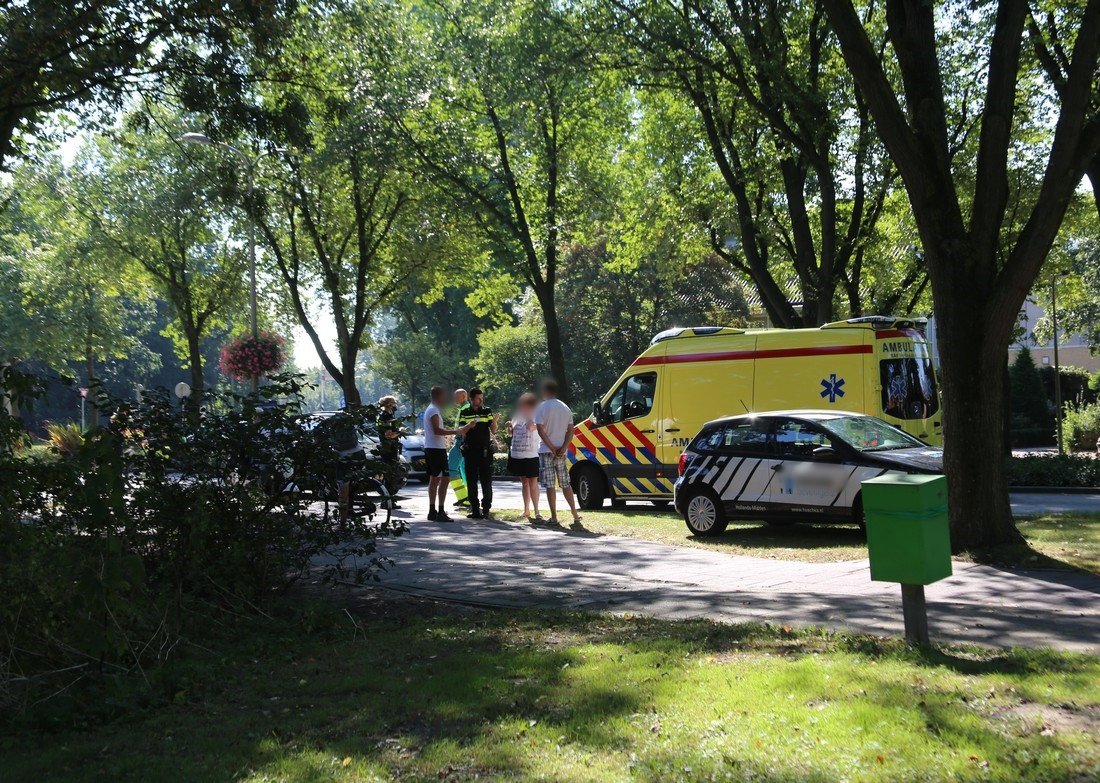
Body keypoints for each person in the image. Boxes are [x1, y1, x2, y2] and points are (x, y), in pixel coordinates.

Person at [534, 379, 581, 525]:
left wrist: (551, 447)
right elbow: (571, 430)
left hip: (546, 450)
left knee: (550, 485)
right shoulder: (565, 407)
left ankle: (554, 517)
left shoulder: (542, 407)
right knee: (565, 483)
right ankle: (574, 514)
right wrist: (563, 447)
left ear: (545, 391)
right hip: (561, 451)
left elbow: (540, 430)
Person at [423, 386, 469, 521]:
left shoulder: (432, 409)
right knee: (444, 478)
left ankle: (433, 511)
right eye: (444, 396)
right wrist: (456, 432)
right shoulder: (433, 410)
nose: (446, 398)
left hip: (433, 448)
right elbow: (437, 430)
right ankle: (440, 511)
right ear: (439, 396)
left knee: (434, 479)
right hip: (436, 449)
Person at [456, 387, 499, 519]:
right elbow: (460, 430)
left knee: (486, 481)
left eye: (482, 398)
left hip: (485, 451)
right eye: (478, 398)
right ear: (471, 399)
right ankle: (475, 509)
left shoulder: (487, 411)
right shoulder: (464, 412)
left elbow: (493, 430)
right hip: (470, 450)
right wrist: (469, 426)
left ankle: (486, 509)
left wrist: (495, 421)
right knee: (471, 480)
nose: (481, 400)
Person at [507, 392, 541, 519]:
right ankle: (526, 510)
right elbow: (511, 434)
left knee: (533, 482)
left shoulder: (537, 415)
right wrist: (509, 427)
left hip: (532, 454)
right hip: (518, 454)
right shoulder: (517, 415)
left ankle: (537, 511)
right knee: (524, 483)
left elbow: (531, 427)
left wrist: (528, 416)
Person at [376, 395, 403, 503]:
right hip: (388, 448)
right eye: (393, 402)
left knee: (392, 474)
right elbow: (388, 434)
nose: (395, 404)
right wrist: (400, 432)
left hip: (392, 447)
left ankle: (389, 499)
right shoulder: (385, 416)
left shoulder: (390, 415)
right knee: (389, 473)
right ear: (388, 404)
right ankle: (387, 501)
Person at [447, 388, 470, 506]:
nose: (454, 399)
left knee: (451, 468)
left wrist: (460, 441)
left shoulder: (465, 408)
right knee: (464, 470)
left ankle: (463, 497)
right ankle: (468, 497)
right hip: (463, 442)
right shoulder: (464, 407)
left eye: (457, 396)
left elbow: (464, 428)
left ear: (464, 396)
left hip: (460, 442)